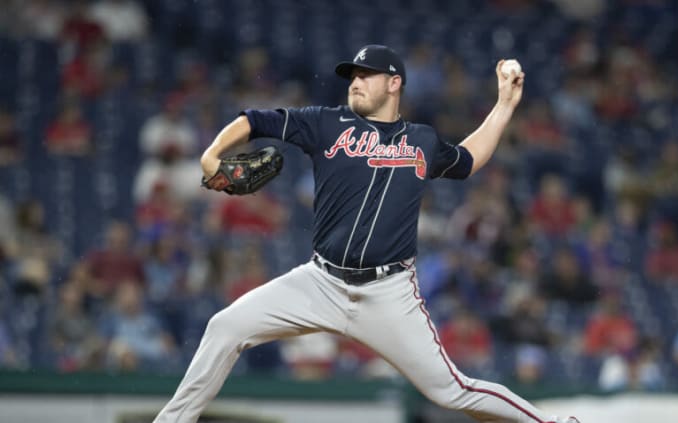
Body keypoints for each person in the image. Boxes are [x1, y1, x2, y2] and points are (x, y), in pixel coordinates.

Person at [154, 44, 580, 423]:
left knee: (452, 390)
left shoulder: (422, 140)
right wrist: (212, 155)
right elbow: (255, 119)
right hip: (319, 282)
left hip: (388, 293)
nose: (354, 82)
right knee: (225, 326)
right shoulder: (325, 123)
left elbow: (469, 159)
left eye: (365, 75)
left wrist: (504, 104)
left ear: (394, 83)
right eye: (351, 76)